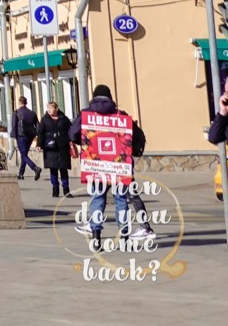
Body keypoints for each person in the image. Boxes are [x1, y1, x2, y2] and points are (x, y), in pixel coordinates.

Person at [69, 84, 147, 242]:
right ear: (110, 97)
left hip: (95, 163)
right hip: (119, 164)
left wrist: (85, 142)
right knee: (120, 198)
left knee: (97, 197)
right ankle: (124, 235)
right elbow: (138, 136)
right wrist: (133, 151)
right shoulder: (121, 115)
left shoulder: (86, 114)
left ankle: (96, 234)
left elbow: (72, 133)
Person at [36, 100, 72, 198]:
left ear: (56, 109)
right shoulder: (44, 120)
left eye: (51, 108)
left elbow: (70, 130)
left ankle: (66, 189)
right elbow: (40, 133)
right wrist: (39, 144)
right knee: (53, 169)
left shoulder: (64, 119)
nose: (49, 110)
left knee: (64, 169)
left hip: (63, 147)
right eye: (48, 108)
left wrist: (71, 141)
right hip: (50, 148)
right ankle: (55, 189)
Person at [11, 97, 40, 181]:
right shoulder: (32, 113)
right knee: (24, 154)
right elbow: (38, 125)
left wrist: (14, 136)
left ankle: (35, 168)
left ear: (19, 102)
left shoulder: (16, 112)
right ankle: (21, 173)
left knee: (23, 155)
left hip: (21, 135)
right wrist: (38, 136)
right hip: (30, 136)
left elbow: (14, 125)